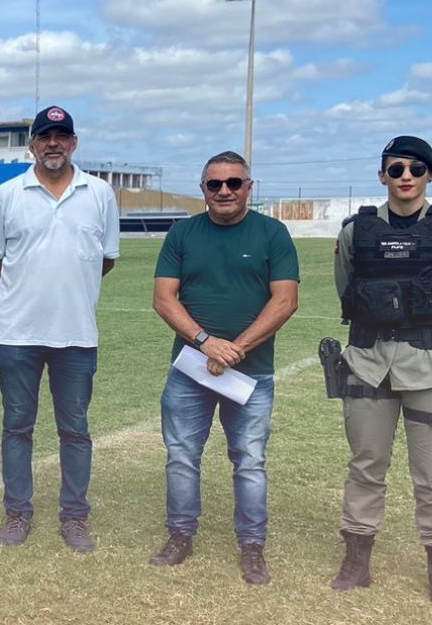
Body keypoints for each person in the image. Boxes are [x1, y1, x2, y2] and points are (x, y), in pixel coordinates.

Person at [330, 136, 432, 611]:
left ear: (430, 176)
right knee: (366, 464)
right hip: (369, 363)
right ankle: (357, 560)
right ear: (383, 176)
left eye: (416, 169)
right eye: (395, 169)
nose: (406, 177)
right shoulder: (356, 230)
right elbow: (345, 289)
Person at [150, 150, 299, 584]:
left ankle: (252, 546)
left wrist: (235, 348)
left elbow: (286, 300)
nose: (225, 191)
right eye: (215, 184)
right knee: (181, 456)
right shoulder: (182, 234)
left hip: (251, 371)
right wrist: (206, 343)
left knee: (250, 460)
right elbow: (164, 298)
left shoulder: (273, 233)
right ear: (203, 190)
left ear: (249, 188)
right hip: (190, 369)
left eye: (234, 183)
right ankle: (180, 535)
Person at [0, 105, 119, 553]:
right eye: (44, 136)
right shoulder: (7, 194)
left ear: (74, 142)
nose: (52, 143)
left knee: (74, 429)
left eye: (61, 135)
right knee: (17, 427)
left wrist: (66, 292)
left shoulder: (100, 194)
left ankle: (75, 516)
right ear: (32, 144)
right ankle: (17, 512)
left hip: (76, 335)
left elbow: (106, 259)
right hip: (17, 335)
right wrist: (26, 294)